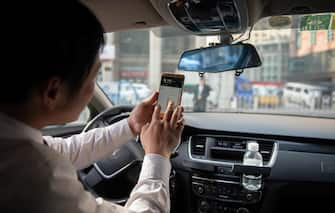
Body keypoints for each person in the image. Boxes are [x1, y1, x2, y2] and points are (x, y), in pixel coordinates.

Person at [0, 1, 184, 213]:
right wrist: (158, 154)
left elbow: (66, 150)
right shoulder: (39, 175)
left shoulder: (14, 145)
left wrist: (131, 125)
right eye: (94, 76)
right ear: (53, 91)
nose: (95, 85)